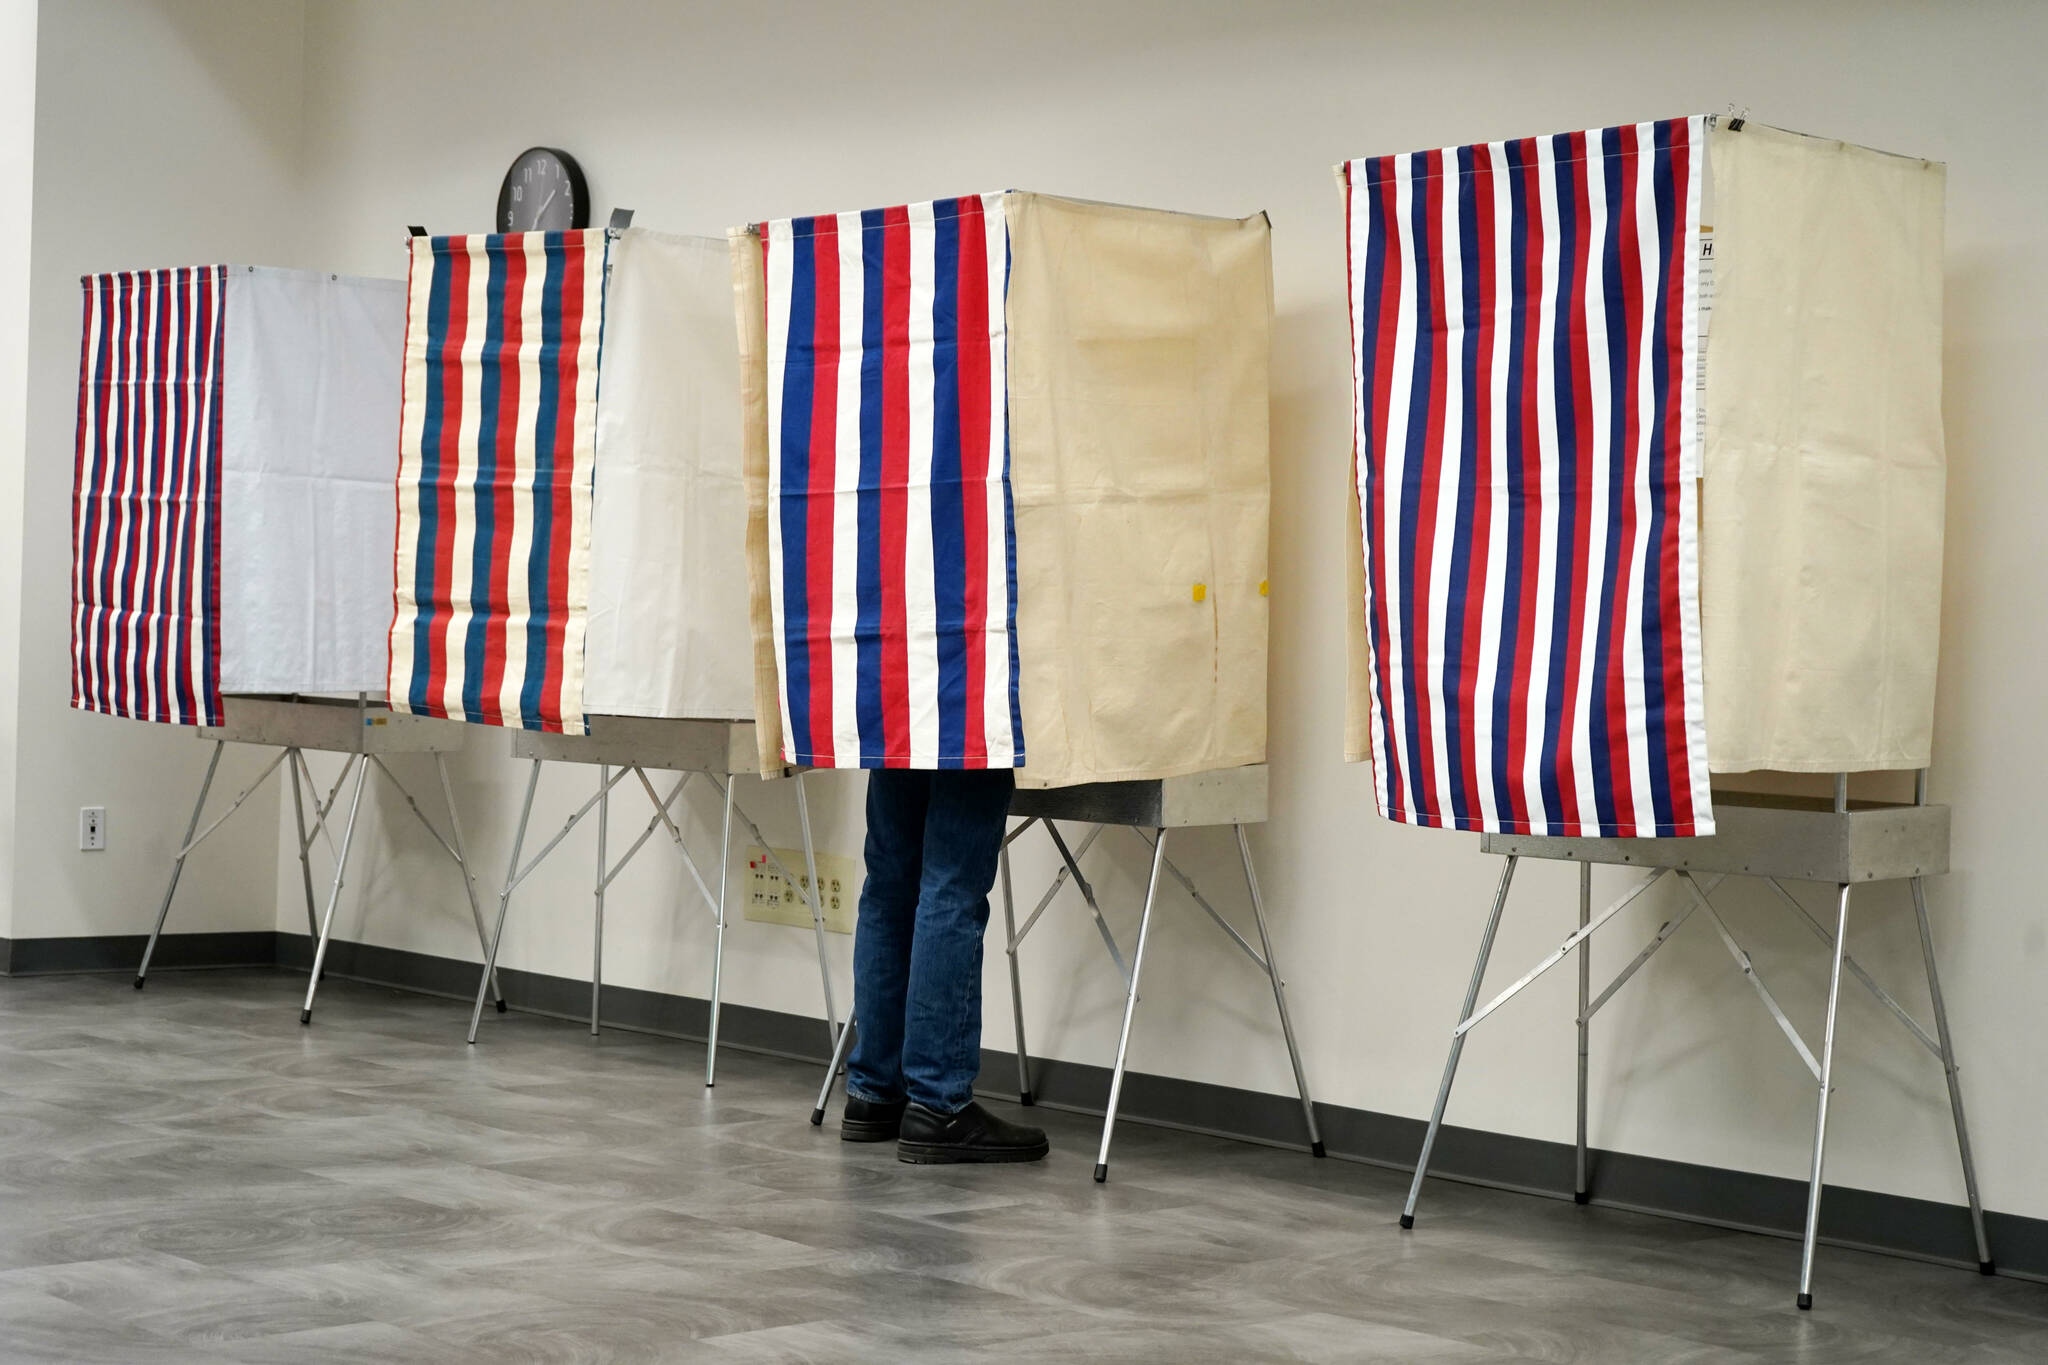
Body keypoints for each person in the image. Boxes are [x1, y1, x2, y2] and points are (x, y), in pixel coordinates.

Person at [837, 769, 1049, 1163]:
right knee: (952, 883)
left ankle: (874, 1092)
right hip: (965, 711)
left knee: (888, 883)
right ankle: (939, 1105)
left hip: (892, 709)